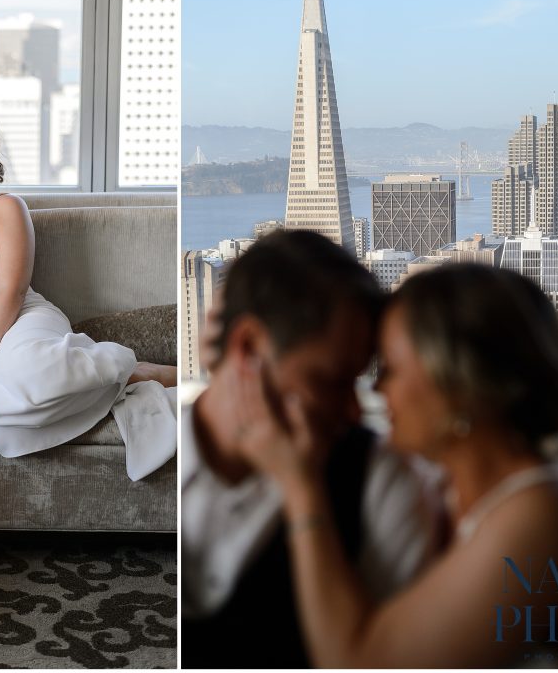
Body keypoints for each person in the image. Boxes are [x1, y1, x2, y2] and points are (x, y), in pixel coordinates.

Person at [237, 263, 558, 667]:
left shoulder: (544, 516)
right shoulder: (444, 489)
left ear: (457, 384)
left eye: (391, 367)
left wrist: (299, 483)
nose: (379, 387)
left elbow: (360, 664)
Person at [181, 230, 442, 669]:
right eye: (331, 382)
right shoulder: (160, 451)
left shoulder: (381, 484)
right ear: (247, 347)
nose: (355, 412)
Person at [0, 109, 177, 480]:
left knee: (37, 378)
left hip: (19, 322)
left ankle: (132, 370)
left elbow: (13, 290)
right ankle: (122, 377)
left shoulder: (3, 207)